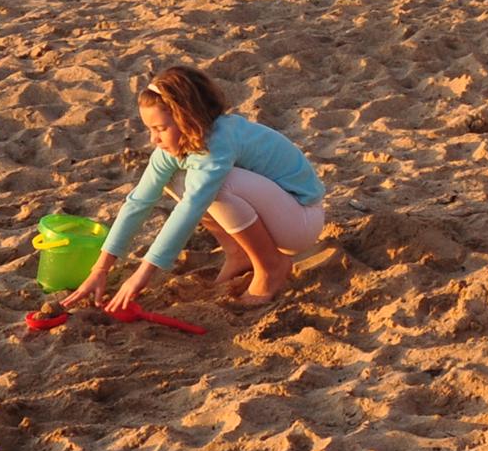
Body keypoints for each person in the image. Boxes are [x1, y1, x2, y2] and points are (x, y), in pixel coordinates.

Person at [67, 64, 327, 312]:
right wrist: (100, 269)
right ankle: (238, 253)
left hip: (300, 220)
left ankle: (270, 267)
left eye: (160, 128)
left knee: (215, 187)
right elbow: (138, 202)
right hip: (275, 214)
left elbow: (191, 207)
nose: (153, 139)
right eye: (150, 129)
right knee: (177, 179)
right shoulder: (176, 145)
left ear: (188, 119)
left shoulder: (218, 142)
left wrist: (143, 273)